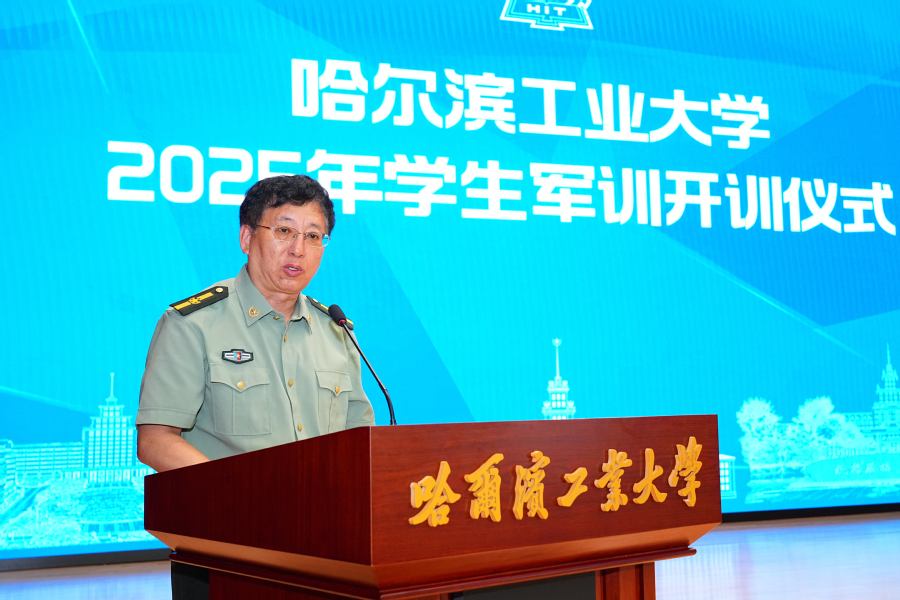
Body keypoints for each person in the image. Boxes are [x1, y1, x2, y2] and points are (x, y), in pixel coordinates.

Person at [136, 175, 375, 598]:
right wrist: (244, 495)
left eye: (313, 236)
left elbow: (361, 443)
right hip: (225, 549)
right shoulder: (193, 323)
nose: (298, 249)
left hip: (328, 550)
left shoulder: (337, 331)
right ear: (246, 237)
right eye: (283, 231)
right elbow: (155, 440)